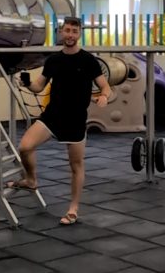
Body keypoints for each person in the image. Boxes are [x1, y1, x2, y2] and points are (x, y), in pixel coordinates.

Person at [9, 16, 110, 225]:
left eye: (74, 31)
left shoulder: (88, 60)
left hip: (75, 119)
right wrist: (27, 83)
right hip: (52, 116)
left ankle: (73, 209)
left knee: (76, 165)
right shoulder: (53, 60)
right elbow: (39, 86)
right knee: (25, 147)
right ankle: (31, 180)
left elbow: (105, 86)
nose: (70, 35)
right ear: (61, 32)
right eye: (67, 31)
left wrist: (104, 97)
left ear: (79, 34)